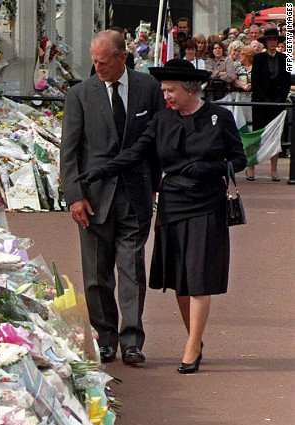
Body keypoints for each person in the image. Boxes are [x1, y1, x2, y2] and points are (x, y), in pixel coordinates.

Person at [78, 59, 246, 374]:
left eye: (170, 91)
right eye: (163, 90)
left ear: (189, 90)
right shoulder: (161, 120)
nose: (165, 96)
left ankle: (192, 346)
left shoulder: (219, 117)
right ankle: (194, 338)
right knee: (181, 279)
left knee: (198, 278)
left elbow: (238, 159)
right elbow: (134, 154)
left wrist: (210, 167)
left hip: (207, 204)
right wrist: (98, 172)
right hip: (173, 204)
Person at [61, 30, 165, 365]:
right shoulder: (79, 94)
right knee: (96, 272)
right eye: (94, 61)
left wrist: (154, 183)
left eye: (103, 62)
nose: (98, 67)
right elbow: (70, 151)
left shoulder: (148, 89)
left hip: (135, 194)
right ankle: (104, 337)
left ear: (122, 57)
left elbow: (155, 143)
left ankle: (132, 340)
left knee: (132, 269)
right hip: (92, 198)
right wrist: (75, 196)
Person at [250, 27, 290, 181]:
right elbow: (255, 81)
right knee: (256, 134)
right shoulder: (258, 58)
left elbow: (287, 81)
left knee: (276, 135)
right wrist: (264, 99)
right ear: (265, 42)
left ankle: (274, 169)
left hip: (277, 102)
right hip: (261, 101)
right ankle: (250, 167)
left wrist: (280, 99)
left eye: (275, 40)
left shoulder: (285, 58)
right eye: (270, 40)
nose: (273, 42)